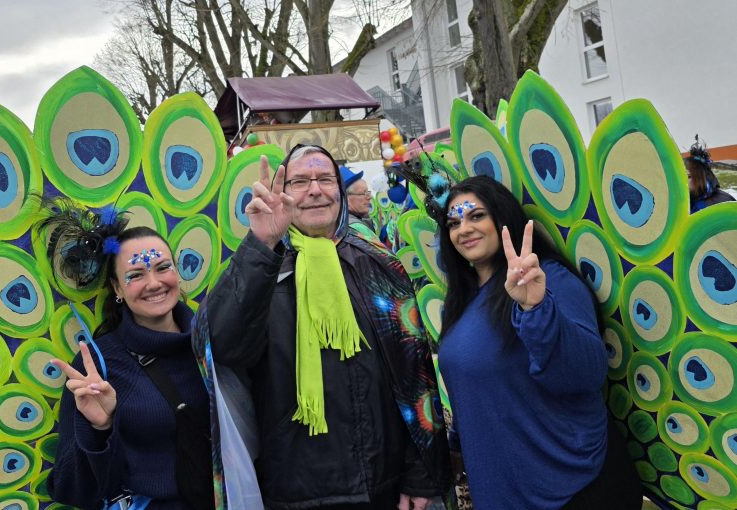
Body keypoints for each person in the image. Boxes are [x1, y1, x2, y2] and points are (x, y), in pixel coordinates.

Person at [195, 145, 449, 509]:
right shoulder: (261, 268)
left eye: (325, 179)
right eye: (300, 180)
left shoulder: (378, 265)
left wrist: (420, 476)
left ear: (339, 192)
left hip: (384, 488)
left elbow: (414, 374)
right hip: (294, 494)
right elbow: (221, 348)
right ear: (283, 192)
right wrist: (262, 245)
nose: (315, 190)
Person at [436, 176, 641, 509]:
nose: (464, 229)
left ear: (502, 218)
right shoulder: (459, 304)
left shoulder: (549, 280)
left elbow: (584, 374)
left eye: (477, 216)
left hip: (574, 485)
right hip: (505, 487)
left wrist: (536, 308)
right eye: (453, 222)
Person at [36, 200, 215, 510]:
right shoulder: (98, 365)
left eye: (163, 268)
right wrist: (99, 428)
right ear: (116, 288)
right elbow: (69, 488)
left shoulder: (211, 343)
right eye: (135, 275)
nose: (154, 283)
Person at [686, 136, 735, 212]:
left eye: (688, 176)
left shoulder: (717, 203)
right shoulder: (689, 198)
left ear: (700, 177)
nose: (683, 181)